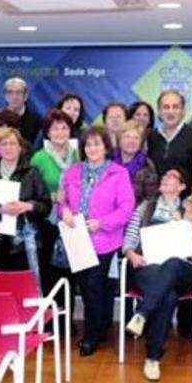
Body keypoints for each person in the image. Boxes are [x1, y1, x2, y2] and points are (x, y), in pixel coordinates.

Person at [59, 126, 135, 357]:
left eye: (97, 144)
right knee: (91, 286)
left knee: (93, 286)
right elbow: (61, 201)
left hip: (104, 239)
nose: (93, 148)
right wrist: (64, 212)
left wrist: (102, 223)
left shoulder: (118, 173)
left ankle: (91, 337)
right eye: (88, 144)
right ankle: (100, 328)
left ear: (106, 147)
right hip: (77, 239)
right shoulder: (72, 172)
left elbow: (126, 208)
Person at [122, 168, 192, 382]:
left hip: (182, 269)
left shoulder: (191, 210)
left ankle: (142, 313)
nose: (166, 178)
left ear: (182, 186)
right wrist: (132, 255)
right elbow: (128, 241)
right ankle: (153, 358)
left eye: (173, 177)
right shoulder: (145, 208)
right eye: (164, 176)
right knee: (168, 296)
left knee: (173, 263)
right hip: (149, 266)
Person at [0, 128, 51, 282]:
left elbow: (45, 205)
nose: (8, 147)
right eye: (4, 144)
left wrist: (29, 206)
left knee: (23, 288)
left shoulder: (32, 173)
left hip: (24, 243)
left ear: (20, 148)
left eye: (13, 144)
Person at [31, 109, 81, 299]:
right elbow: (31, 191)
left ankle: (68, 317)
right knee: (49, 268)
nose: (60, 132)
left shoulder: (79, 156)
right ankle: (52, 317)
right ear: (47, 132)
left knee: (72, 268)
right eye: (55, 129)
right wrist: (53, 197)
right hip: (48, 221)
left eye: (64, 128)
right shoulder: (39, 158)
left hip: (73, 219)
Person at [148, 90, 192, 190]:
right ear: (159, 112)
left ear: (183, 111)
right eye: (166, 107)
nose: (170, 111)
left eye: (175, 107)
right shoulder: (149, 137)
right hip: (155, 200)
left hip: (186, 201)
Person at [114, 119, 159, 202]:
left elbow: (150, 200)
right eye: (127, 137)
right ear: (119, 140)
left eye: (136, 138)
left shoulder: (147, 165)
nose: (131, 141)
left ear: (141, 143)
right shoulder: (108, 161)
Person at [2, 77, 42, 147]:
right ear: (6, 96)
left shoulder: (36, 120)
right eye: (10, 92)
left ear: (25, 96)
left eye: (18, 92)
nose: (14, 96)